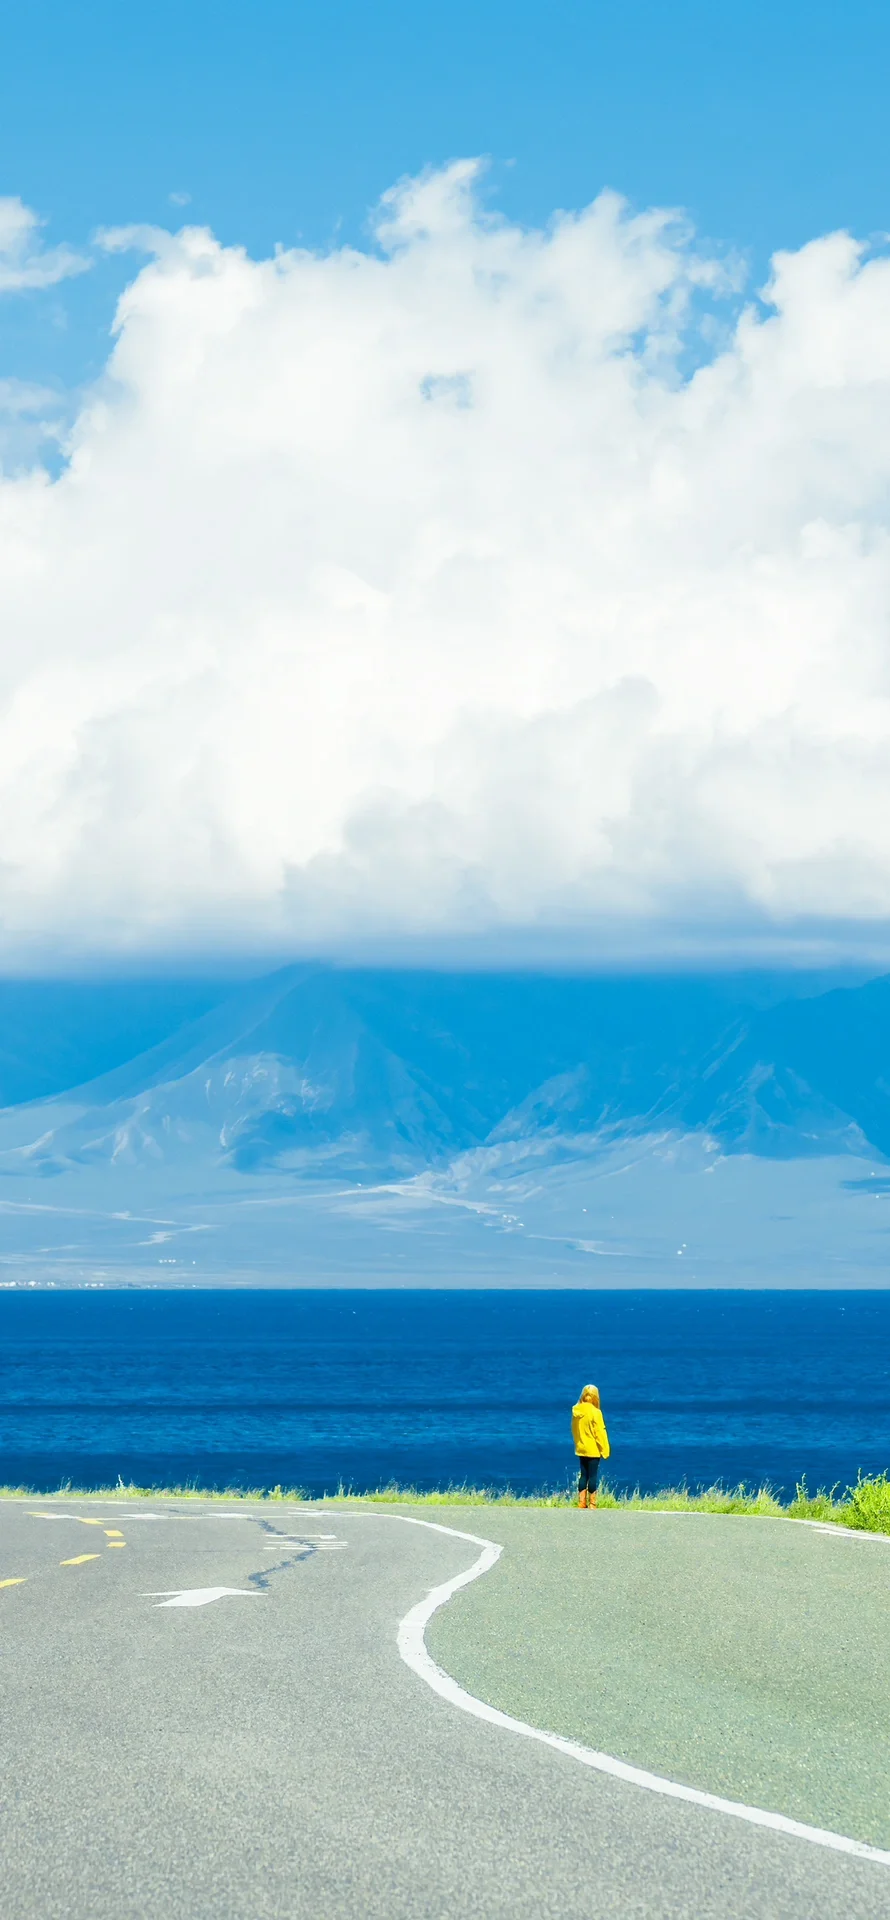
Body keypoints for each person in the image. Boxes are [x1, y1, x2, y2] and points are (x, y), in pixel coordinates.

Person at [571, 1384, 610, 1508]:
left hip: (581, 1448)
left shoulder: (576, 1411)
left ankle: (582, 1502)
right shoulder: (596, 1412)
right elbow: (600, 1432)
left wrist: (578, 1443)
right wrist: (605, 1450)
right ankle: (592, 1503)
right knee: (592, 1476)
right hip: (593, 1449)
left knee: (583, 1475)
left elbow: (574, 1430)